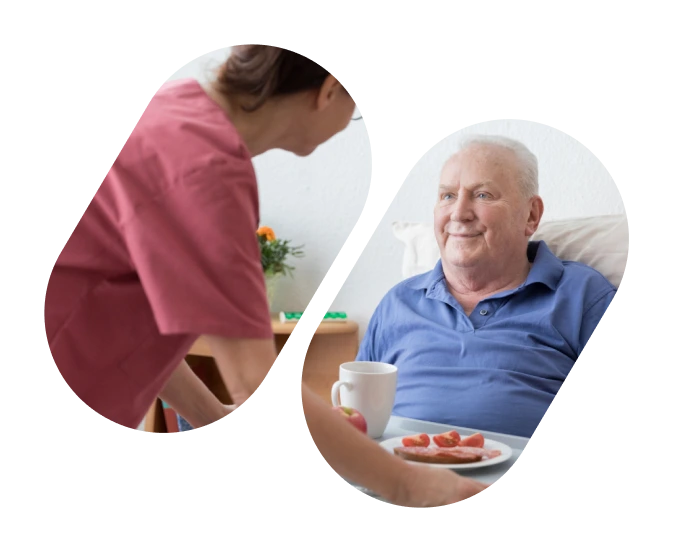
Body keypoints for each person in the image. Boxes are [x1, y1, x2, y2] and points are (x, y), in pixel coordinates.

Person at [44, 44, 488, 507]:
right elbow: (253, 379)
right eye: (356, 110)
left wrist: (213, 415)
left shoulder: (179, 109)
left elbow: (131, 319)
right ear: (329, 89)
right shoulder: (206, 173)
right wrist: (408, 484)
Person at [356, 135, 618, 439]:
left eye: (482, 195)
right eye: (447, 196)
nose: (458, 213)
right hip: (400, 477)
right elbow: (357, 418)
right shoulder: (398, 303)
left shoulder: (584, 296)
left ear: (531, 216)